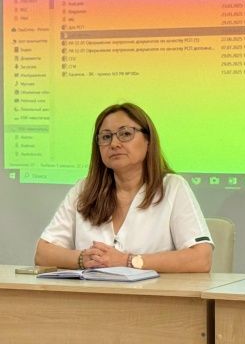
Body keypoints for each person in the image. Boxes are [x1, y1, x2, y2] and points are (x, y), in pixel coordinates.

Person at [34, 102, 213, 273]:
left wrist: (127, 261)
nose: (114, 144)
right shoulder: (84, 189)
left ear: (148, 140)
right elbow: (43, 253)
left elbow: (201, 258)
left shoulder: (172, 187)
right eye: (106, 137)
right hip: (92, 292)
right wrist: (82, 259)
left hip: (151, 293)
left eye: (125, 134)